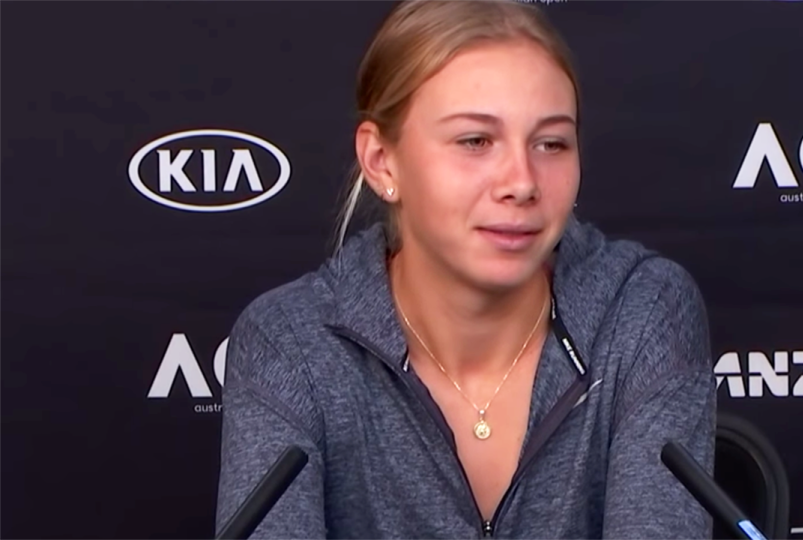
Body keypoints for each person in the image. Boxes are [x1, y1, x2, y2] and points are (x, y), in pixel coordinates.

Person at [215, 0, 716, 538]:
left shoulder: (643, 312)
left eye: (551, 143)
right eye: (475, 141)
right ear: (382, 162)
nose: (522, 182)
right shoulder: (289, 342)